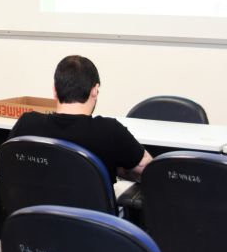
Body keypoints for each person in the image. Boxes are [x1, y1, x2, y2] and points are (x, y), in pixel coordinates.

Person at [8, 55, 152, 182]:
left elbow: (9, 166)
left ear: (55, 90)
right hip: (90, 214)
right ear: (95, 90)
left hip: (30, 212)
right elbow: (150, 171)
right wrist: (117, 168)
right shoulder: (110, 132)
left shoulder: (26, 124)